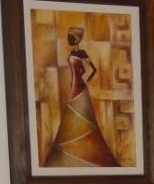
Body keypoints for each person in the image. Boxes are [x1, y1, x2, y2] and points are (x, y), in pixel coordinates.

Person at [43, 25, 119, 167]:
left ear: (77, 39)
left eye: (71, 37)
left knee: (82, 117)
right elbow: (80, 69)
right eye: (68, 37)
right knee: (72, 117)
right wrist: (78, 76)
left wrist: (86, 79)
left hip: (80, 87)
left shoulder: (82, 53)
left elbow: (93, 69)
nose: (69, 39)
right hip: (74, 86)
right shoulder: (72, 52)